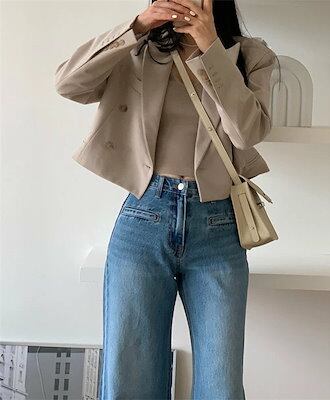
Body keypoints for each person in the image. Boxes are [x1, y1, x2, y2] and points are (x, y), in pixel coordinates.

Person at [55, 0, 278, 398]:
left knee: (222, 384)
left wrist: (211, 48)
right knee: (129, 377)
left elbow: (248, 132)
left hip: (218, 223)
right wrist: (137, 26)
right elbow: (68, 84)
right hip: (144, 217)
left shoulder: (251, 55)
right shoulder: (139, 49)